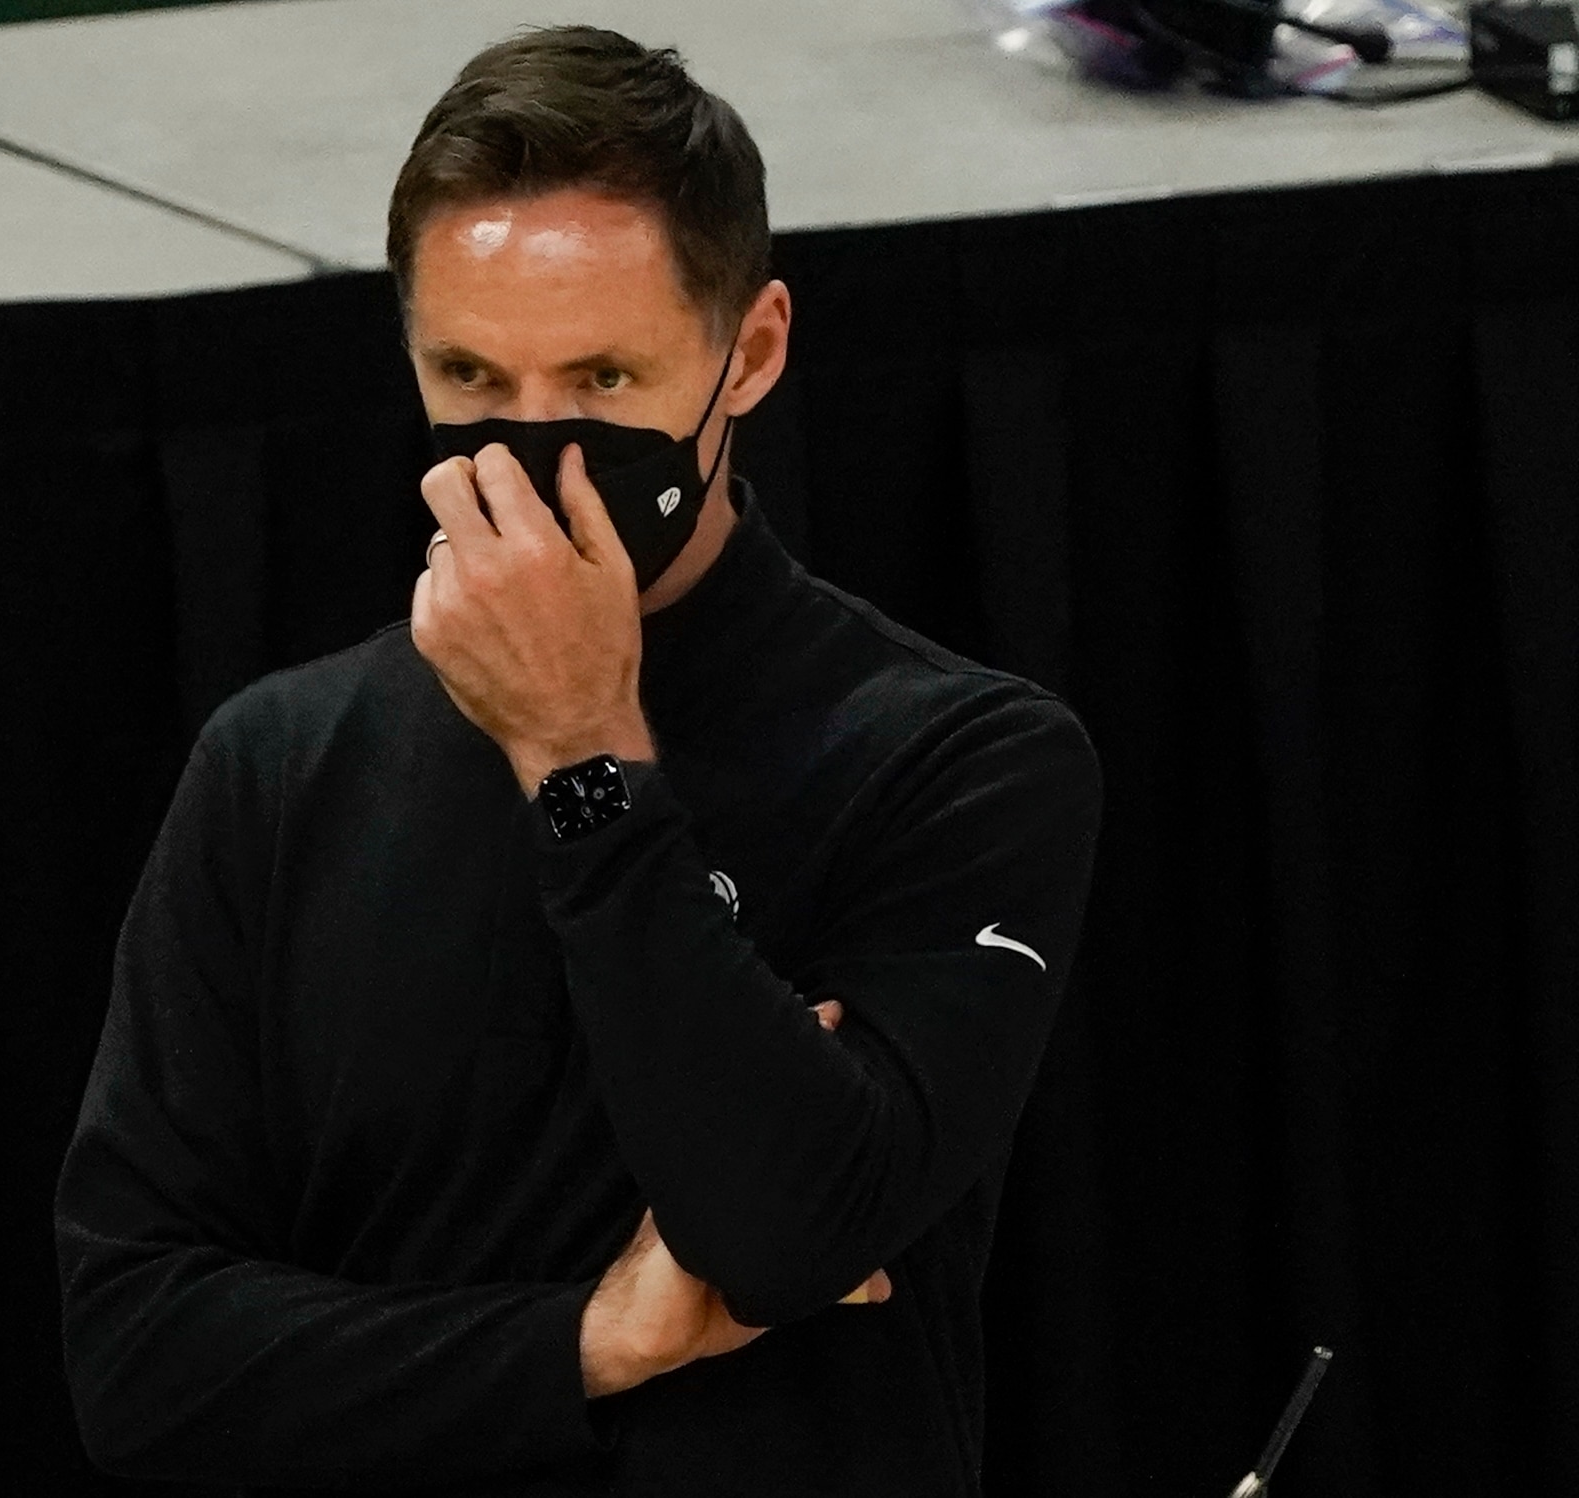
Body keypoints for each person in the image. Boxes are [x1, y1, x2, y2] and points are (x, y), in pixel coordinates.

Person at [55, 24, 1102, 1497]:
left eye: (604, 378)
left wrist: (581, 753)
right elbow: (141, 1359)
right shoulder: (278, 763)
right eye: (472, 378)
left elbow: (787, 1229)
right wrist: (587, 1342)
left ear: (750, 350)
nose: (536, 447)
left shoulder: (957, 759)